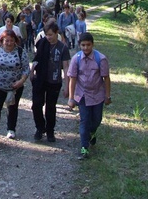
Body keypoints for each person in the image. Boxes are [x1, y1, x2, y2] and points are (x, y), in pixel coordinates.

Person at [67, 32, 111, 160]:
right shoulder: (76, 59)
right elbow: (73, 79)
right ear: (79, 45)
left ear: (92, 44)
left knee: (96, 119)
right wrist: (71, 98)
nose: (86, 48)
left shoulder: (101, 59)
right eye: (83, 45)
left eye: (88, 45)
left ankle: (92, 132)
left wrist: (107, 96)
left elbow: (106, 78)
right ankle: (84, 147)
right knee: (84, 120)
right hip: (82, 95)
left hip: (97, 94)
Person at [0, 30, 29, 142]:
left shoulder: (20, 51)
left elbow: (26, 69)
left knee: (12, 107)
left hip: (14, 86)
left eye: (11, 41)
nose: (9, 43)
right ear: (2, 40)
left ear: (15, 41)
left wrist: (21, 81)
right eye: (6, 40)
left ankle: (11, 129)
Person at [30, 21, 70, 142]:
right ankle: (40, 127)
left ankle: (50, 130)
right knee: (36, 105)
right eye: (47, 34)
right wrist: (32, 72)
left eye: (51, 34)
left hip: (54, 81)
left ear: (57, 33)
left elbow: (66, 67)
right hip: (40, 79)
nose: (48, 37)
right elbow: (36, 60)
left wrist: (67, 86)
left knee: (51, 107)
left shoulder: (62, 48)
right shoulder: (41, 43)